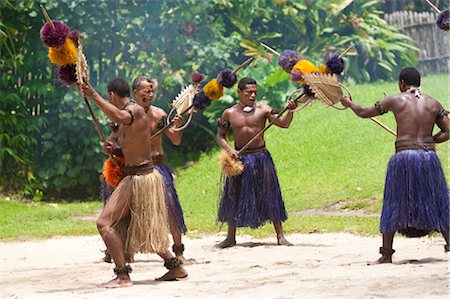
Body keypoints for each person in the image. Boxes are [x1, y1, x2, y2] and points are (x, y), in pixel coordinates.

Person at [80, 79, 187, 288]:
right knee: (143, 226)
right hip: (138, 176)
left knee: (104, 223)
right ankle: (174, 267)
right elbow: (131, 143)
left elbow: (118, 115)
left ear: (112, 95)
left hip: (139, 177)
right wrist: (116, 150)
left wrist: (93, 95)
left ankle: (122, 275)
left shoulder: (135, 111)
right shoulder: (129, 116)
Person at [340, 67, 449, 264]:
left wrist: (348, 103)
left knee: (393, 202)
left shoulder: (395, 99)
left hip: (404, 158)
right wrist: (429, 141)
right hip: (428, 157)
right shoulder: (433, 103)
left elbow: (364, 112)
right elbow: (448, 131)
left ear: (401, 83)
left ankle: (387, 254)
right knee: (439, 200)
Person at [216, 77, 297, 248]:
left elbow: (284, 124)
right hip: (240, 160)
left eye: (255, 92)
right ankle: (231, 237)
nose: (253, 96)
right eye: (248, 93)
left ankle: (280, 236)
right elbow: (220, 136)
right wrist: (230, 150)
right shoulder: (229, 114)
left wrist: (290, 111)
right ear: (239, 93)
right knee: (234, 195)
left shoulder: (264, 110)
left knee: (270, 193)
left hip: (261, 158)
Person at [132, 76, 188, 263]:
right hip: (138, 169)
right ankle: (120, 251)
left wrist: (177, 126)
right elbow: (115, 139)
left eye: (151, 91)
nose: (149, 94)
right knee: (131, 209)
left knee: (171, 207)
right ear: (135, 93)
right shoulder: (128, 115)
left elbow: (176, 140)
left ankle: (178, 251)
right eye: (145, 91)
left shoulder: (159, 115)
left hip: (159, 167)